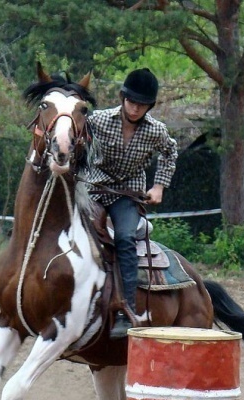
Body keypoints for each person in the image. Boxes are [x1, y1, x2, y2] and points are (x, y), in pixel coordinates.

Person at [81, 68, 178, 339]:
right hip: (94, 189)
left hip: (127, 195)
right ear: (123, 98)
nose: (135, 109)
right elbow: (77, 139)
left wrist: (159, 185)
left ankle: (127, 310)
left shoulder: (156, 131)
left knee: (124, 239)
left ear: (150, 106)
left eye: (142, 105)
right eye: (132, 102)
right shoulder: (97, 120)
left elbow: (171, 152)